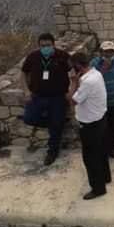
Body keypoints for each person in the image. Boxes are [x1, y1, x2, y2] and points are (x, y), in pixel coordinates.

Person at [21, 33, 71, 166]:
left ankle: (52, 152)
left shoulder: (63, 56)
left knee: (56, 128)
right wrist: (26, 91)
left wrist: (71, 91)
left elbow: (73, 72)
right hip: (37, 96)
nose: (45, 48)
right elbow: (23, 72)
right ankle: (55, 122)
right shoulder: (33, 57)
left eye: (48, 45)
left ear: (53, 44)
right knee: (29, 118)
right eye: (42, 46)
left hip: (57, 97)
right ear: (39, 46)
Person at [67, 51, 110, 200]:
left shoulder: (87, 82)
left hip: (89, 125)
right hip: (101, 119)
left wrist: (73, 82)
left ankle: (98, 189)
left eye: (72, 67)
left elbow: (72, 100)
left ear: (78, 66)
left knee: (90, 158)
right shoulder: (96, 74)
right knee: (101, 152)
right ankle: (105, 177)